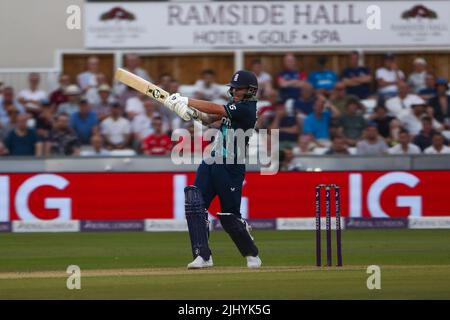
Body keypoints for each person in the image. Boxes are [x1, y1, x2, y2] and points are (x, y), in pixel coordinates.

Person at [164, 70, 262, 269]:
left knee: (229, 216)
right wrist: (193, 114)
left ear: (250, 91)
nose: (234, 90)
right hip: (212, 161)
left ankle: (251, 254)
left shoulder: (247, 109)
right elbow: (211, 119)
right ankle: (203, 256)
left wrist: (185, 100)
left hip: (231, 165)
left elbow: (218, 108)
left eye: (239, 88)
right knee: (195, 206)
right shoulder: (235, 108)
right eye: (233, 87)